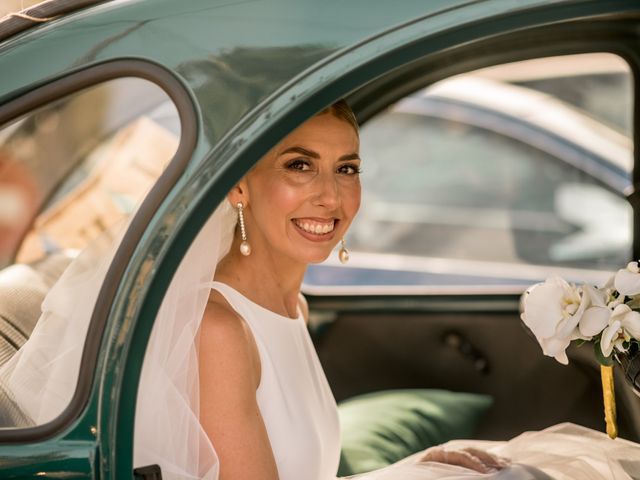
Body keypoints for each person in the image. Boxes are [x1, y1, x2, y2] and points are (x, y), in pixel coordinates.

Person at [2, 102, 639, 479]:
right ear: (238, 186)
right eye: (299, 165)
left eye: (347, 168)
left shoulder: (290, 305)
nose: (330, 196)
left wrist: (421, 465)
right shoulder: (219, 329)